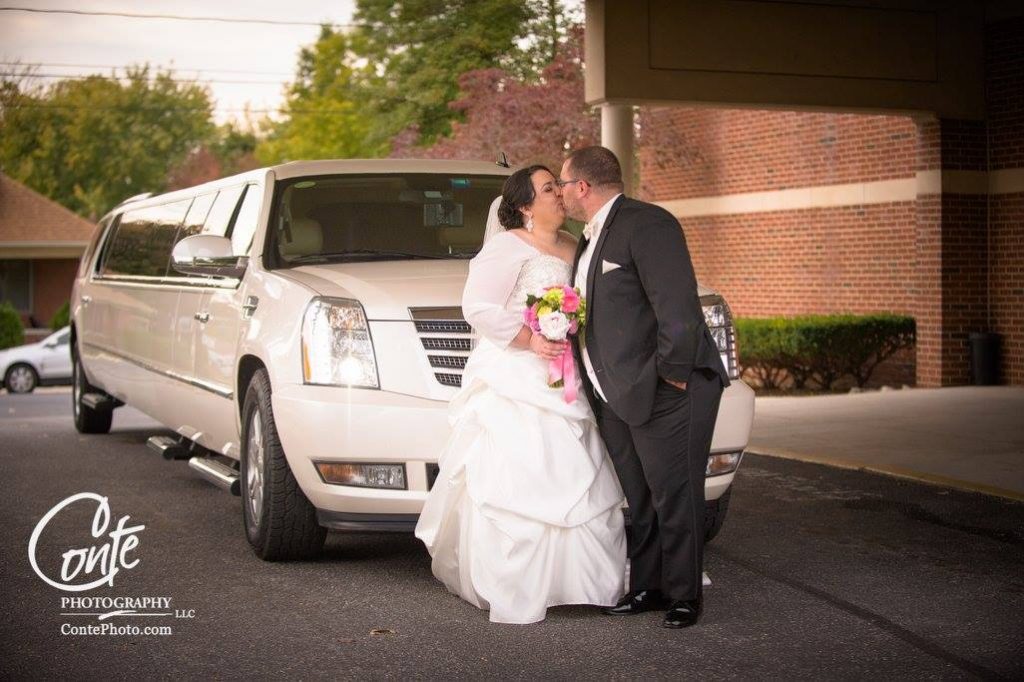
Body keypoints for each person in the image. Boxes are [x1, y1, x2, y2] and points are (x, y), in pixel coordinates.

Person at [414, 165, 627, 624]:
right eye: (549, 188)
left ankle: (586, 582)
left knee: (577, 468)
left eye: (558, 186)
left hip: (564, 373)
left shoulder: (577, 246)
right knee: (520, 472)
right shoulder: (506, 246)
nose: (559, 194)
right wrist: (530, 339)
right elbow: (478, 307)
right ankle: (520, 584)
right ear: (526, 205)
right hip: (517, 373)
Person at [558, 146, 731, 629]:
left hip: (669, 388)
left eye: (565, 185)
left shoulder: (648, 224)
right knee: (641, 494)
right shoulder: (590, 238)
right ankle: (649, 588)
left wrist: (673, 376)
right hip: (615, 392)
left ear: (583, 187)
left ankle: (684, 595)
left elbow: (677, 308)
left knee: (675, 493)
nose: (563, 194)